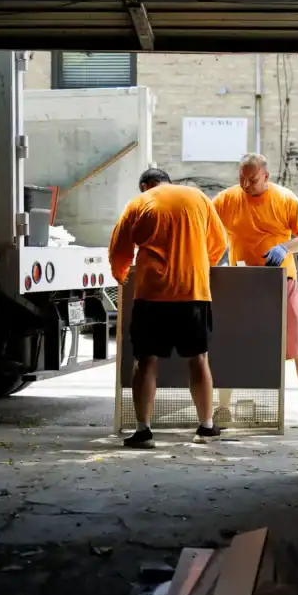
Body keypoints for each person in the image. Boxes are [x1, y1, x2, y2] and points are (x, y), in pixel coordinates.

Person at [109, 168, 228, 448]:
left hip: (152, 295)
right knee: (198, 358)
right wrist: (198, 264)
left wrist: (120, 275)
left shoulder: (140, 203)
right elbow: (220, 242)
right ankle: (205, 426)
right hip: (193, 292)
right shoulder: (199, 198)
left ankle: (144, 431)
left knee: (146, 361)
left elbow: (120, 248)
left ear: (146, 185)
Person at [211, 154, 298, 423]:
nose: (246, 184)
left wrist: (285, 247)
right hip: (241, 283)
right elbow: (206, 228)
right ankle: (223, 408)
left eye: (253, 179)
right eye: (242, 178)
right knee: (229, 344)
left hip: (282, 283)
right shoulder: (226, 199)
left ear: (266, 176)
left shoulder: (285, 199)